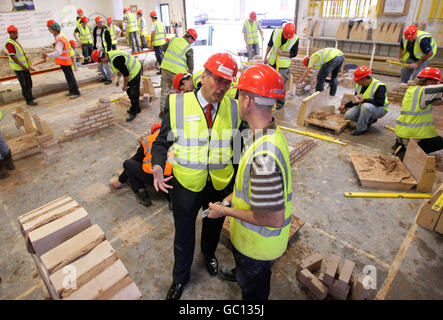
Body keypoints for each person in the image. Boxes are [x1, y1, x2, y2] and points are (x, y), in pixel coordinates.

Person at [151, 53, 241, 300]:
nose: (222, 88)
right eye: (219, 80)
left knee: (213, 226)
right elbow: (161, 142)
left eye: (228, 83)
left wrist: (237, 181)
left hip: (219, 184)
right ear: (205, 76)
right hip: (187, 184)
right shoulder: (178, 104)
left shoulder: (233, 108)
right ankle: (180, 278)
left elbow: (239, 145)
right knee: (183, 235)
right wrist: (158, 167)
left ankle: (209, 255)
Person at [207, 64, 291, 300]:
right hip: (250, 243)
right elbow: (257, 186)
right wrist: (233, 197)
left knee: (253, 290)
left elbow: (273, 218)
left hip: (258, 246)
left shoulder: (264, 155)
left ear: (247, 101)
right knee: (247, 272)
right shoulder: (269, 132)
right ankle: (240, 272)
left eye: (239, 95)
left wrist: (224, 210)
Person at [110, 123, 174, 208]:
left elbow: (135, 160)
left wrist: (120, 180)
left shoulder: (147, 140)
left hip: (149, 176)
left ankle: (142, 194)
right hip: (169, 179)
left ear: (153, 132)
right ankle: (173, 200)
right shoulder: (175, 139)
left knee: (128, 163)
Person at [393, 67, 443, 159]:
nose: (436, 84)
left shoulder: (413, 91)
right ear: (427, 80)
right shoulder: (424, 91)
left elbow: (435, 102)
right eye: (435, 81)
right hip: (414, 137)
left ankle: (403, 147)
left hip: (403, 134)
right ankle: (411, 152)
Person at [91, 49, 142, 122]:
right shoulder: (110, 55)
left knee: (133, 93)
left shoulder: (116, 60)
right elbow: (119, 70)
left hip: (135, 70)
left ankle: (134, 112)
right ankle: (136, 108)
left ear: (104, 57)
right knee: (129, 92)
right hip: (130, 71)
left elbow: (126, 75)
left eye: (101, 61)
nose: (102, 63)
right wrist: (117, 79)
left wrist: (125, 85)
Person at [338, 66, 389, 136]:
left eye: (358, 80)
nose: (356, 81)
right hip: (364, 106)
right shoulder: (359, 86)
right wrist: (345, 106)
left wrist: (364, 100)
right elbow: (356, 100)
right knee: (348, 115)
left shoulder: (379, 86)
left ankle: (360, 129)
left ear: (364, 79)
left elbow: (380, 102)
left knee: (366, 106)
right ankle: (369, 120)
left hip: (380, 109)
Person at [159, 29, 197, 118]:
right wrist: (189, 72)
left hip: (165, 68)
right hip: (177, 73)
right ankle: (175, 113)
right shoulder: (189, 49)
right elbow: (191, 66)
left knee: (165, 90)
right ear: (190, 38)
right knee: (176, 92)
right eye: (193, 40)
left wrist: (168, 59)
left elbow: (163, 48)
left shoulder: (174, 39)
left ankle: (163, 112)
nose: (192, 43)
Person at [264, 23, 298, 109]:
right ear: (283, 30)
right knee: (270, 83)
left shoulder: (295, 39)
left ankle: (279, 104)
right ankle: (269, 101)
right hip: (272, 63)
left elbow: (294, 53)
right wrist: (265, 56)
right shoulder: (276, 32)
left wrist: (282, 53)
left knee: (281, 86)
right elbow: (269, 45)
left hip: (283, 67)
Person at [43, 23, 81, 99]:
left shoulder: (60, 40)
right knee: (69, 76)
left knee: (70, 77)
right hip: (65, 61)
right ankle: (71, 90)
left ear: (54, 31)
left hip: (65, 62)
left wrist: (47, 55)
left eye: (51, 30)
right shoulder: (62, 38)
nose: (51, 32)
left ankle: (76, 92)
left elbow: (58, 52)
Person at [5, 25, 37, 106]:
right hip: (20, 69)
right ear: (10, 34)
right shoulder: (10, 44)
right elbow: (13, 57)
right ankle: (28, 100)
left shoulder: (15, 42)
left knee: (29, 83)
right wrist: (23, 66)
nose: (16, 35)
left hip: (24, 67)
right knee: (25, 85)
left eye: (17, 33)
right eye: (15, 33)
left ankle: (30, 96)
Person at [92, 16, 113, 85]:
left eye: (101, 22)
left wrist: (108, 51)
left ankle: (109, 78)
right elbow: (95, 39)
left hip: (104, 50)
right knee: (100, 66)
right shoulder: (95, 30)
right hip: (98, 50)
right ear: (96, 23)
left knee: (106, 65)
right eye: (98, 22)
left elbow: (109, 41)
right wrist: (94, 48)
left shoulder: (105, 31)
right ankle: (105, 77)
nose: (100, 24)